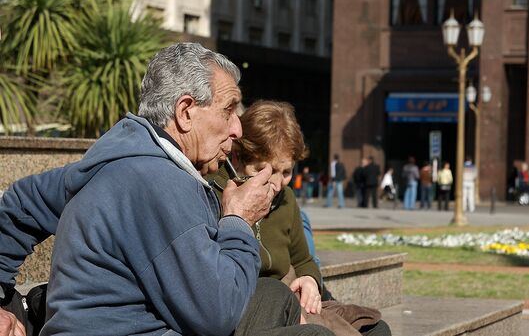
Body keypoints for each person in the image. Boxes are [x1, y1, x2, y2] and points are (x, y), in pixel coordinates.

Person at [0, 43, 332, 336]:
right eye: (229, 109)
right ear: (186, 112)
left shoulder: (122, 154)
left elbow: (20, 204)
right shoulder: (160, 181)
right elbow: (217, 314)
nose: (237, 128)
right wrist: (239, 221)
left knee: (274, 297)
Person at [207, 100, 390, 336]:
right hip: (254, 308)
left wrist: (309, 280)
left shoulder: (286, 199)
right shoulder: (216, 193)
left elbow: (303, 260)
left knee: (378, 329)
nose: (275, 183)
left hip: (292, 299)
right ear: (238, 159)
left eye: (286, 172)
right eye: (264, 169)